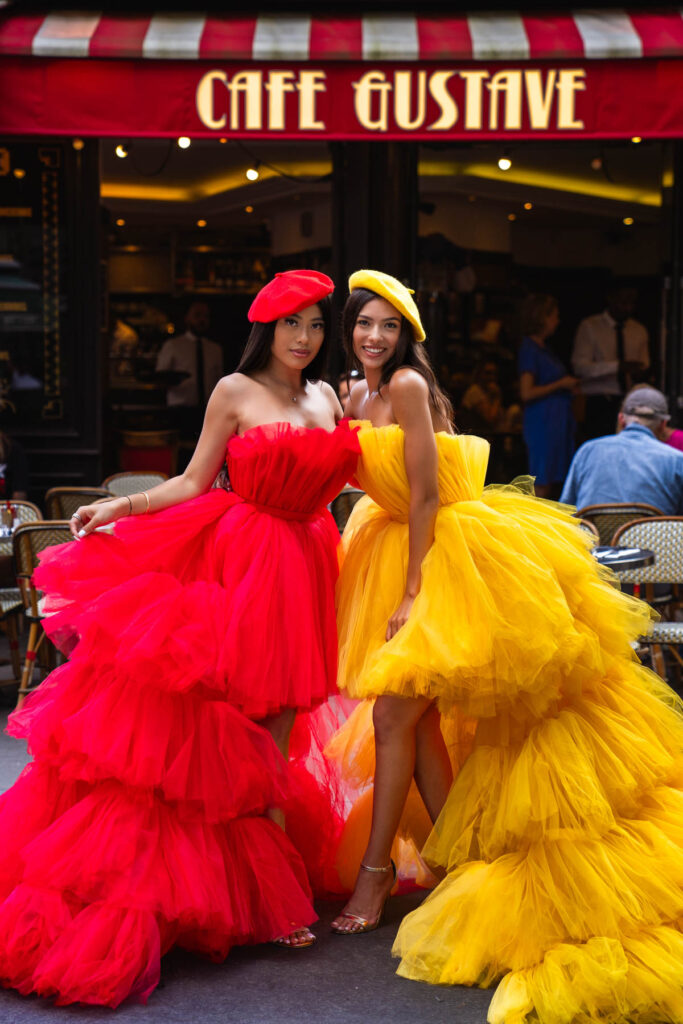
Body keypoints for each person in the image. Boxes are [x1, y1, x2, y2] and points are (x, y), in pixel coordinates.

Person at [328, 270, 683, 1024]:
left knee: (394, 718)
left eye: (390, 328)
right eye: (365, 324)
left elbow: (425, 495)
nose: (375, 338)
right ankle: (461, 861)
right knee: (413, 720)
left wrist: (413, 590)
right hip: (385, 544)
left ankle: (377, 870)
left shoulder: (408, 392)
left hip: (439, 556)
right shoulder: (346, 394)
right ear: (347, 329)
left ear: (406, 339)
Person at [0, 271, 361, 1007]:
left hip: (310, 563)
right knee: (224, 729)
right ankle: (227, 891)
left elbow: (352, 482)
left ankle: (273, 892)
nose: (305, 338)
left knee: (282, 731)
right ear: (266, 329)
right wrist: (122, 504)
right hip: (245, 562)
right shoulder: (234, 389)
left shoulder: (328, 397)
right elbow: (195, 481)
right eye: (292, 324)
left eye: (317, 325)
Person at [560, 386, 683, 514]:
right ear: (663, 424)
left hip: (592, 534)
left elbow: (565, 511)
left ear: (621, 419)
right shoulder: (677, 461)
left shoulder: (587, 451)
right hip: (651, 534)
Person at [572, 282, 650, 440]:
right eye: (623, 302)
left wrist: (640, 372)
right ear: (611, 298)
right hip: (599, 402)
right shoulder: (590, 327)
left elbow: (645, 363)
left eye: (631, 303)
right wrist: (617, 367)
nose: (628, 308)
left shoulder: (638, 330)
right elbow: (579, 367)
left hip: (630, 402)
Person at [518, 294, 577, 499]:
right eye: (554, 316)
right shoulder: (530, 349)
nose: (557, 321)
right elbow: (526, 392)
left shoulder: (545, 348)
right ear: (542, 317)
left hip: (556, 421)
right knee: (542, 479)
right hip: (543, 422)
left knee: (552, 480)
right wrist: (561, 384)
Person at [156, 301, 224, 441]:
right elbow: (160, 377)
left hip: (208, 412)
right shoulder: (173, 346)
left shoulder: (215, 349)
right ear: (187, 318)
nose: (202, 320)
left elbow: (219, 381)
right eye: (197, 315)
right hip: (180, 410)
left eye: (205, 316)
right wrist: (174, 379)